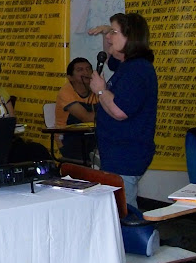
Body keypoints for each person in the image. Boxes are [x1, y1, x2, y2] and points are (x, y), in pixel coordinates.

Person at [88, 13, 158, 208]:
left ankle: (141, 239)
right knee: (119, 207)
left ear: (131, 37)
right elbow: (112, 56)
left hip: (126, 153)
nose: (109, 37)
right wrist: (106, 33)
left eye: (114, 32)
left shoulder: (138, 70)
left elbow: (120, 111)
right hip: (117, 151)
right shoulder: (128, 65)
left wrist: (100, 90)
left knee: (124, 210)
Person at [55, 57, 98, 160]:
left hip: (93, 136)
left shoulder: (96, 88)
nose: (86, 72)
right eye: (80, 70)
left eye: (88, 69)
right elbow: (86, 117)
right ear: (70, 77)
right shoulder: (66, 92)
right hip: (70, 139)